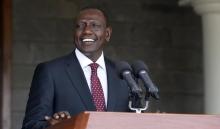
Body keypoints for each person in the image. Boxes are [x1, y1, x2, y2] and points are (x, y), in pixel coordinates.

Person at [21, 6, 130, 129]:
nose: (87, 31)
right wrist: (55, 127)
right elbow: (31, 126)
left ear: (107, 34)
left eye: (95, 25)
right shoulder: (50, 72)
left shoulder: (124, 74)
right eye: (80, 26)